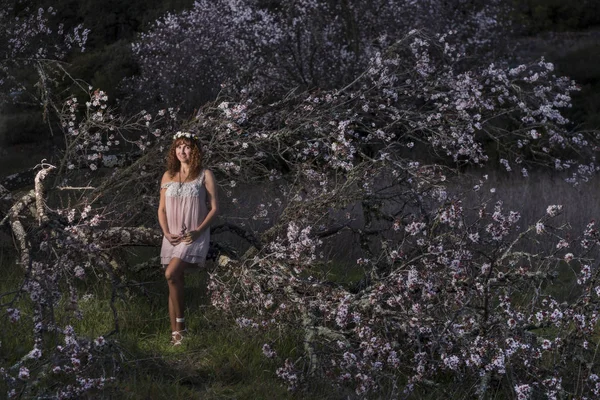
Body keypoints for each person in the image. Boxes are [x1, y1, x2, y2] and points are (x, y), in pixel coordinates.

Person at [158, 131, 218, 345]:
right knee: (174, 280)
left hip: (194, 235)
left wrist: (198, 231)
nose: (182, 151)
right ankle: (175, 334)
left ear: (194, 150)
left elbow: (214, 208)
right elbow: (162, 209)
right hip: (172, 235)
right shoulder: (168, 176)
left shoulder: (205, 175)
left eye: (186, 147)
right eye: (178, 147)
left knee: (171, 273)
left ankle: (180, 328)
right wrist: (165, 232)